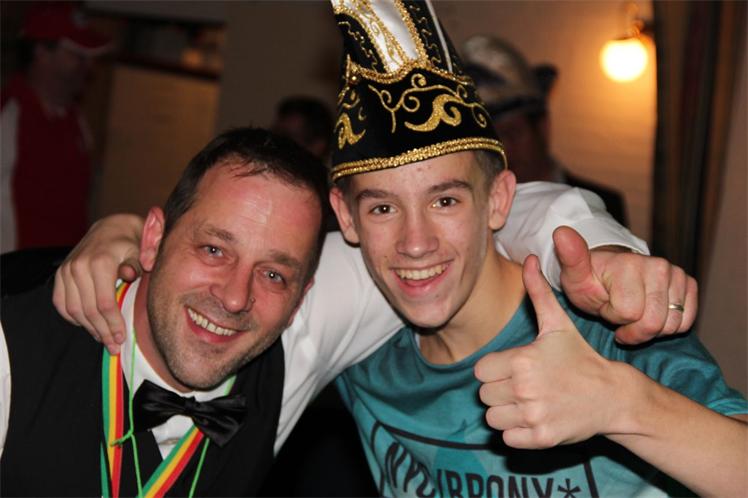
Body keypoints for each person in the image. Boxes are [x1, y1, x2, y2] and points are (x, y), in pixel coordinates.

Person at [321, 2, 746, 497]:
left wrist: (623, 405)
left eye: (445, 200)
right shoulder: (362, 357)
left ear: (499, 199)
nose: (416, 243)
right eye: (382, 208)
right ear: (346, 216)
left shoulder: (609, 327)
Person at [0, 127, 330, 495]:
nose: (235, 298)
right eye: (214, 250)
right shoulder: (13, 351)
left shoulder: (298, 348)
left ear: (300, 299)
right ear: (153, 238)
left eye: (273, 275)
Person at [462, 35, 629, 226]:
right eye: (495, 139)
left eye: (513, 133)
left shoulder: (604, 204)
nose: (505, 149)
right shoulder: (481, 212)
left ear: (542, 128)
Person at [1, 3, 109, 252]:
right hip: (16, 268)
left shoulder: (76, 121)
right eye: (78, 56)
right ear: (41, 52)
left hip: (60, 266)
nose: (88, 67)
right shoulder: (9, 115)